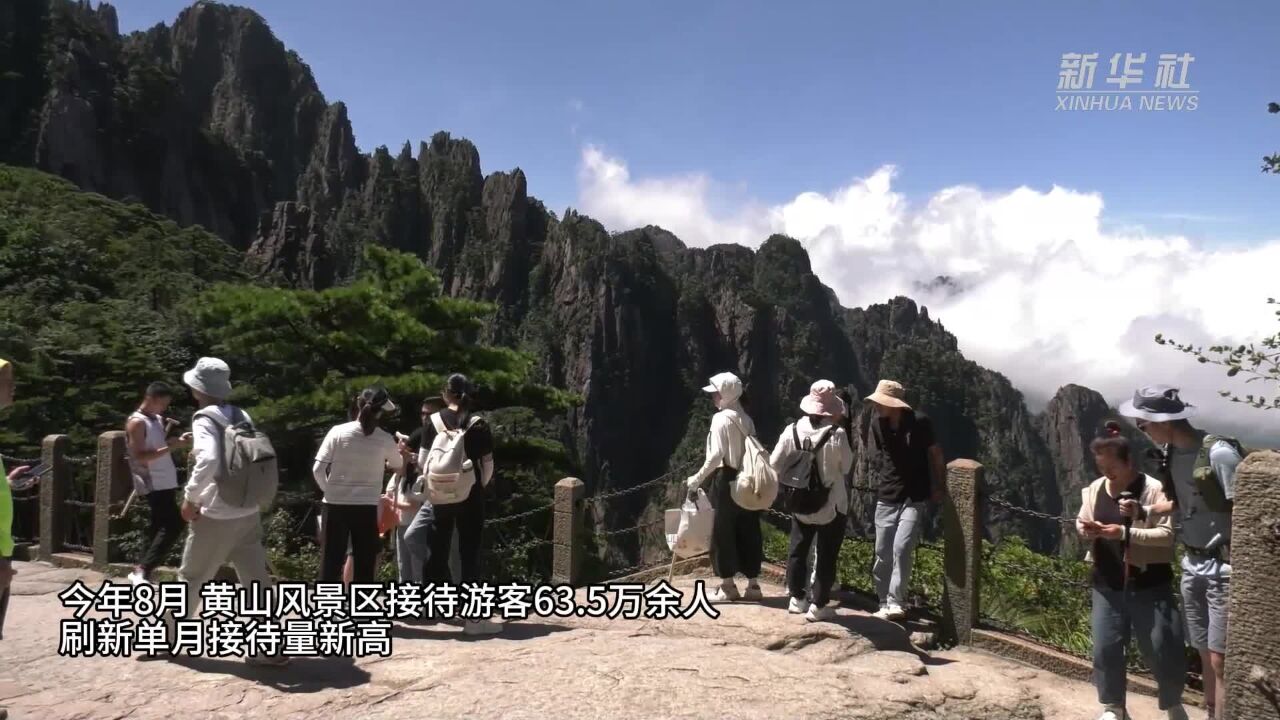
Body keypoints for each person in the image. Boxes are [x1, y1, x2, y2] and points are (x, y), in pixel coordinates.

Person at [1118, 386, 1241, 719]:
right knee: (1203, 651)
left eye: (1144, 425)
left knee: (1221, 658)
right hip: (1192, 562)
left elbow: (1246, 510)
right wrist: (1142, 511)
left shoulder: (1218, 455)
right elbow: (1182, 503)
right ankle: (1212, 712)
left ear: (1164, 422)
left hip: (1225, 567)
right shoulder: (1172, 454)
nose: (1143, 431)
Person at [172, 357, 288, 666]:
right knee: (255, 582)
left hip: (216, 512)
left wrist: (190, 498)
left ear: (197, 388)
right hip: (247, 509)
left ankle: (164, 640)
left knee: (192, 577)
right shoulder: (241, 414)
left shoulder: (203, 419)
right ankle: (268, 649)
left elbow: (209, 460)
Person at [1077, 422, 1189, 720]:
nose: (1107, 475)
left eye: (1112, 468)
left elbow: (1166, 537)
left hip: (1149, 583)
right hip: (1106, 581)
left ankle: (1172, 704)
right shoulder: (1094, 490)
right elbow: (1082, 519)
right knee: (1106, 647)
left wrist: (1124, 534)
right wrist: (1087, 529)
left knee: (1162, 647)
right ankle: (1113, 706)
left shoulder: (1153, 490)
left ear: (1129, 462)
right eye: (1101, 467)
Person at [418, 375, 499, 635]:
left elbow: (422, 462)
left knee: (438, 548)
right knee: (469, 553)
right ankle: (474, 619)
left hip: (440, 495)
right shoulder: (478, 424)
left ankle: (438, 609)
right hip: (470, 495)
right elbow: (487, 466)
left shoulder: (432, 422)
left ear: (446, 394)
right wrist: (476, 486)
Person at [863, 379, 945, 621]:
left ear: (896, 404)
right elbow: (880, 455)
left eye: (882, 403)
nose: (877, 407)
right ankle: (882, 601)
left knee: (902, 548)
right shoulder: (878, 424)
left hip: (914, 495)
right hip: (887, 495)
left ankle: (895, 601)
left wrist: (939, 485)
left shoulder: (920, 422)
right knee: (882, 552)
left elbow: (935, 454)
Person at [771, 380, 853, 622]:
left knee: (798, 549)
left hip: (800, 501)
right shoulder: (837, 435)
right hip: (831, 503)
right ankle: (818, 604)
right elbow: (847, 466)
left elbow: (775, 463)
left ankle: (796, 598)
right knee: (826, 554)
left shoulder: (792, 430)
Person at [313, 387, 409, 584]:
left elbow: (318, 470)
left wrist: (329, 491)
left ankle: (327, 608)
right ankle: (361, 609)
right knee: (365, 562)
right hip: (366, 506)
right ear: (380, 412)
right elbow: (398, 464)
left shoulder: (337, 432)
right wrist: (396, 452)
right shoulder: (383, 438)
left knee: (330, 561)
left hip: (334, 505)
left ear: (358, 403)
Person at [686, 372, 764, 603]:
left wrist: (696, 479)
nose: (713, 398)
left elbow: (716, 456)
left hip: (727, 479)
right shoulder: (746, 419)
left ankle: (728, 586)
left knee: (723, 532)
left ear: (726, 395)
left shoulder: (720, 419)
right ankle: (753, 586)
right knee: (749, 529)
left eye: (716, 394)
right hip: (749, 479)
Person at [125, 382, 192, 585]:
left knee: (158, 525)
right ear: (152, 399)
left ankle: (140, 570)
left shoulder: (156, 419)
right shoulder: (136, 422)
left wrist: (177, 441)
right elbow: (140, 457)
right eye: (163, 404)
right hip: (151, 480)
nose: (164, 408)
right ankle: (144, 569)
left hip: (165, 477)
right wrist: (173, 447)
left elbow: (157, 447)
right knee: (174, 523)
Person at [391, 397, 444, 585]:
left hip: (430, 503)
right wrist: (403, 457)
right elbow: (398, 468)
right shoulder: (418, 434)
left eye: (430, 414)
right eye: (423, 413)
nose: (425, 418)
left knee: (418, 560)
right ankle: (407, 602)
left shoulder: (447, 437)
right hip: (407, 503)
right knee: (403, 562)